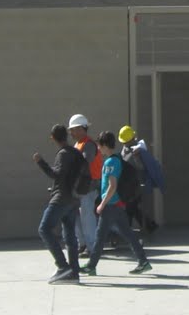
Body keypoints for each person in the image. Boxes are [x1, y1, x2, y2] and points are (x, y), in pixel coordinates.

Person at [84, 130, 152, 276]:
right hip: (117, 204)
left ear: (104, 145)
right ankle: (143, 261)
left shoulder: (110, 162)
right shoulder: (115, 159)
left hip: (111, 205)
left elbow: (112, 186)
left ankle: (91, 265)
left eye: (99, 146)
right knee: (127, 234)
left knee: (101, 236)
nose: (99, 149)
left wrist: (102, 204)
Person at [34, 124, 85, 284]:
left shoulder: (63, 154)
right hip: (74, 198)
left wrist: (40, 162)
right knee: (70, 235)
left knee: (44, 229)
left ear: (53, 138)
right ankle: (74, 273)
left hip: (61, 198)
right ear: (67, 135)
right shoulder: (76, 153)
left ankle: (63, 267)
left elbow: (57, 174)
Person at [117, 125, 162, 236]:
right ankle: (149, 225)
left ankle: (127, 230)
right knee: (133, 207)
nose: (124, 144)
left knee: (130, 207)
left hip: (137, 184)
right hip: (128, 184)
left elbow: (142, 168)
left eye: (126, 142)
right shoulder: (126, 148)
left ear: (132, 139)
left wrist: (136, 157)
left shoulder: (139, 150)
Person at [68, 114, 100, 249]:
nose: (71, 132)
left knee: (87, 217)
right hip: (80, 186)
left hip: (89, 186)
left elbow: (85, 162)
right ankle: (83, 244)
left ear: (82, 128)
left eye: (73, 129)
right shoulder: (78, 144)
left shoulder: (89, 145)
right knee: (78, 216)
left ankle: (92, 247)